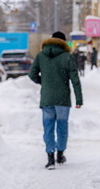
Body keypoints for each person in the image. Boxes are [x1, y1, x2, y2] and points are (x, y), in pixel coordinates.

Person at [28, 31, 83, 169]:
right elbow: (75, 79)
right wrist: (79, 99)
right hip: (63, 98)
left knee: (48, 127)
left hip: (47, 98)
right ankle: (60, 154)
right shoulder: (67, 57)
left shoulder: (41, 56)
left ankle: (50, 158)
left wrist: (44, 82)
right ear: (64, 42)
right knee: (62, 127)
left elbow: (32, 74)